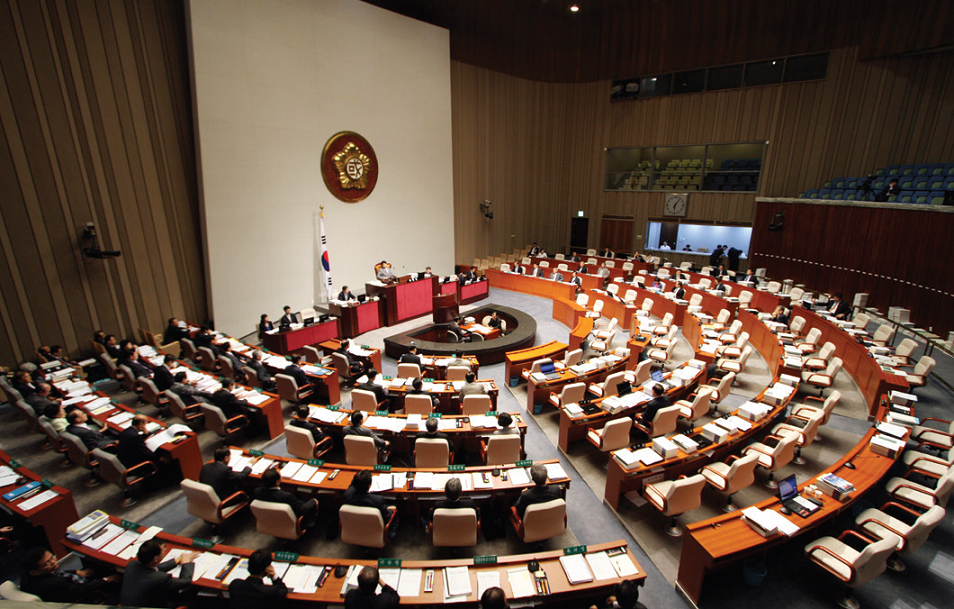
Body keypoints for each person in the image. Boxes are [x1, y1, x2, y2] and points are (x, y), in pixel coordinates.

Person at [20, 546, 120, 603]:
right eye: (47, 563)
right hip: (81, 595)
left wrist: (77, 572)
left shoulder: (26, 575)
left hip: (69, 586)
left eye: (52, 557)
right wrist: (106, 579)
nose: (53, 562)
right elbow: (81, 589)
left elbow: (58, 572)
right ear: (34, 572)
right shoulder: (54, 584)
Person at [121, 539, 197, 608]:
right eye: (163, 550)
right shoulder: (161, 578)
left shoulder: (132, 565)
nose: (164, 551)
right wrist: (186, 563)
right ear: (156, 559)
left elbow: (154, 569)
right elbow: (185, 581)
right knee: (192, 594)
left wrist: (176, 561)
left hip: (130, 605)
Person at [341, 472, 397, 538]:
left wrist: (359, 477)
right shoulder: (378, 501)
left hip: (356, 526)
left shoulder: (347, 495)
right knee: (397, 505)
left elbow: (352, 486)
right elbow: (387, 517)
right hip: (376, 529)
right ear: (369, 485)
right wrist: (391, 510)